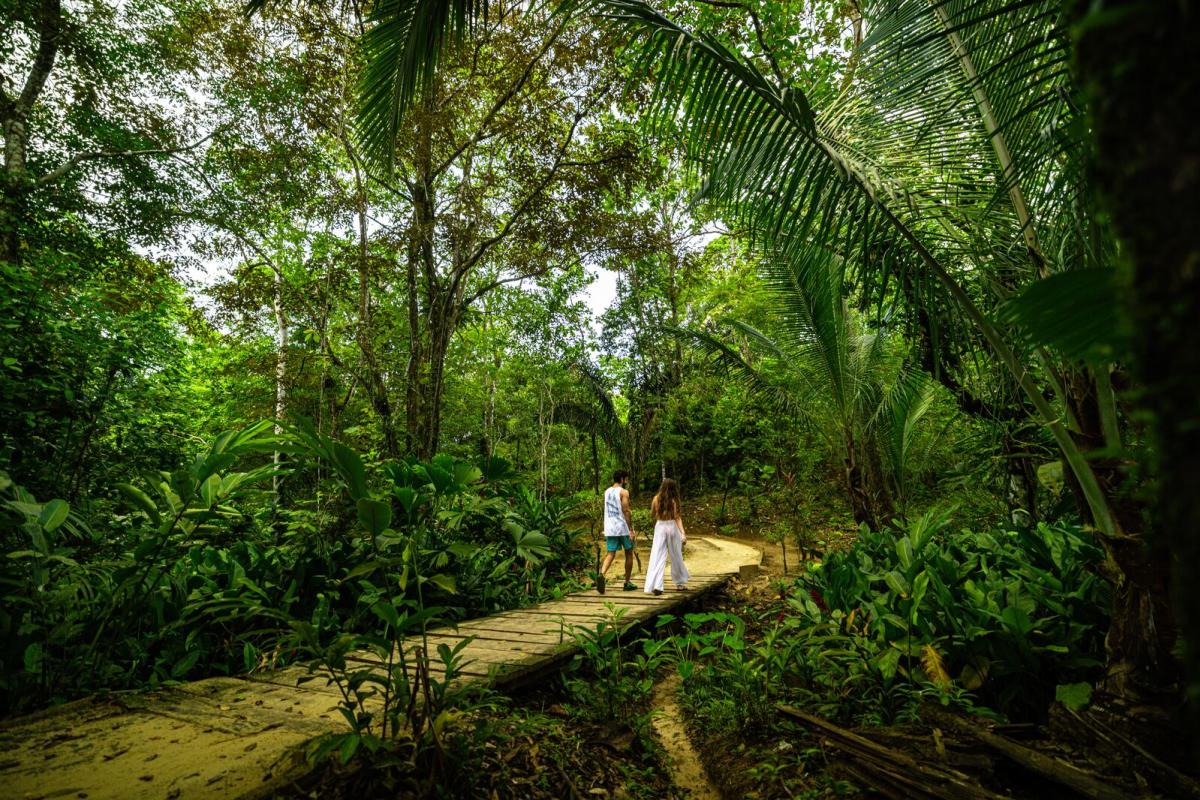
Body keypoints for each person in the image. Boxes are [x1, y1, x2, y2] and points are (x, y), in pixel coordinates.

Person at [645, 478, 689, 596]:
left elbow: (653, 514)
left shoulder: (655, 499)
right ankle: (680, 583)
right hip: (671, 526)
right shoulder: (674, 501)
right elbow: (677, 517)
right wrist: (683, 533)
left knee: (657, 555)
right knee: (676, 555)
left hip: (660, 526)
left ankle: (657, 585)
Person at [598, 469, 638, 594]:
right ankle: (627, 582)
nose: (626, 481)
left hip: (610, 528)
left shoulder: (607, 491)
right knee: (629, 553)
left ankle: (602, 574)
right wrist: (631, 529)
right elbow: (626, 511)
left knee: (610, 553)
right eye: (625, 478)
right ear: (621, 479)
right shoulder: (623, 492)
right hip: (622, 527)